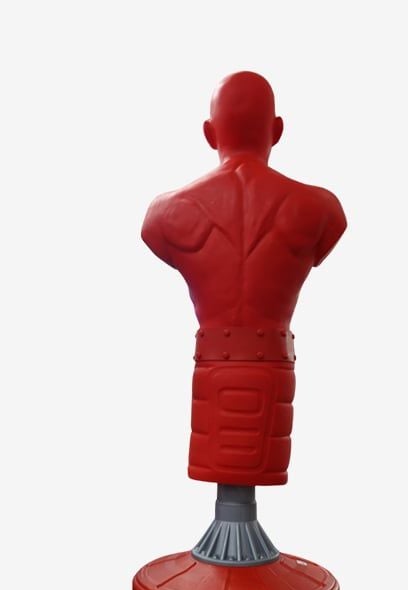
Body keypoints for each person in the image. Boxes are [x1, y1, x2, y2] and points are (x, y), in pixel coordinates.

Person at [142, 71, 346, 486]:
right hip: (272, 368)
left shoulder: (166, 213)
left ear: (209, 133)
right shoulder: (321, 210)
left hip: (215, 370)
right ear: (277, 131)